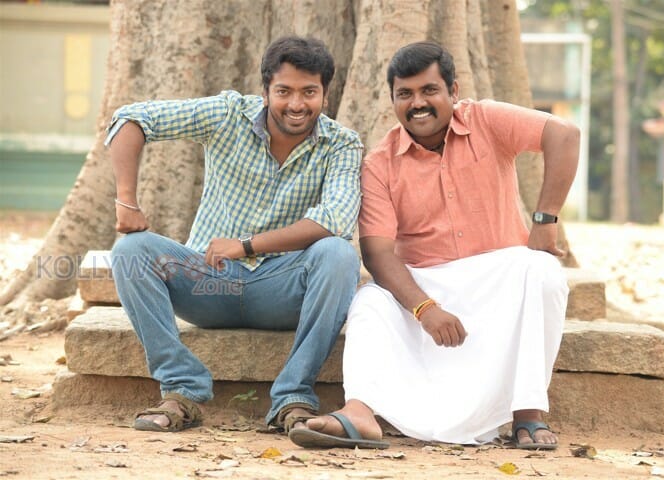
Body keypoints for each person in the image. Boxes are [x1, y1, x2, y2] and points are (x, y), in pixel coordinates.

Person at [290, 41, 579, 450]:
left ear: (453, 91)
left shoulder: (486, 119)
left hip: (498, 278)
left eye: (429, 90)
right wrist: (425, 308)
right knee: (370, 301)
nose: (418, 104)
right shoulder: (379, 163)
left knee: (543, 270)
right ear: (393, 99)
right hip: (425, 287)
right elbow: (377, 253)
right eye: (405, 94)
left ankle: (527, 413)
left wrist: (545, 220)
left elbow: (564, 135)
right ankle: (359, 413)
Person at [106, 36, 363, 433]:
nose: (296, 104)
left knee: (339, 254)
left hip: (283, 291)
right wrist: (126, 201)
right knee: (131, 250)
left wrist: (245, 246)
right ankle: (181, 390)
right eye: (284, 91)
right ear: (265, 91)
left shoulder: (342, 144)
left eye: (309, 92)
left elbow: (333, 221)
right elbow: (131, 119)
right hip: (209, 284)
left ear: (325, 95)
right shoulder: (228, 114)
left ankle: (293, 396)